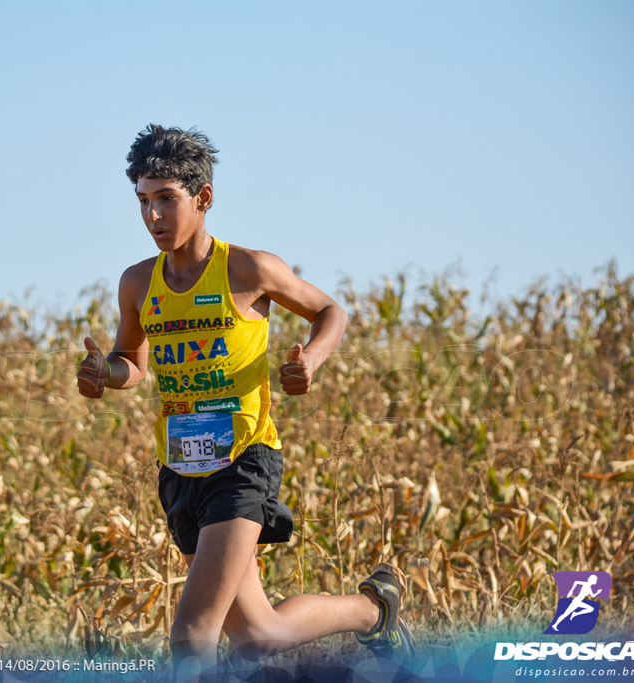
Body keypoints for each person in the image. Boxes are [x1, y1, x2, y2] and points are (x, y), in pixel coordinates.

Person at [77, 124, 414, 679]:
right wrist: (103, 374)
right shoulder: (137, 283)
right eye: (142, 200)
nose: (152, 216)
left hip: (243, 462)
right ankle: (375, 609)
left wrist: (310, 361)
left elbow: (332, 312)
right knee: (258, 635)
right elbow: (133, 364)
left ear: (202, 198)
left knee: (191, 636)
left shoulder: (248, 269)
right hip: (180, 468)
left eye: (166, 199)